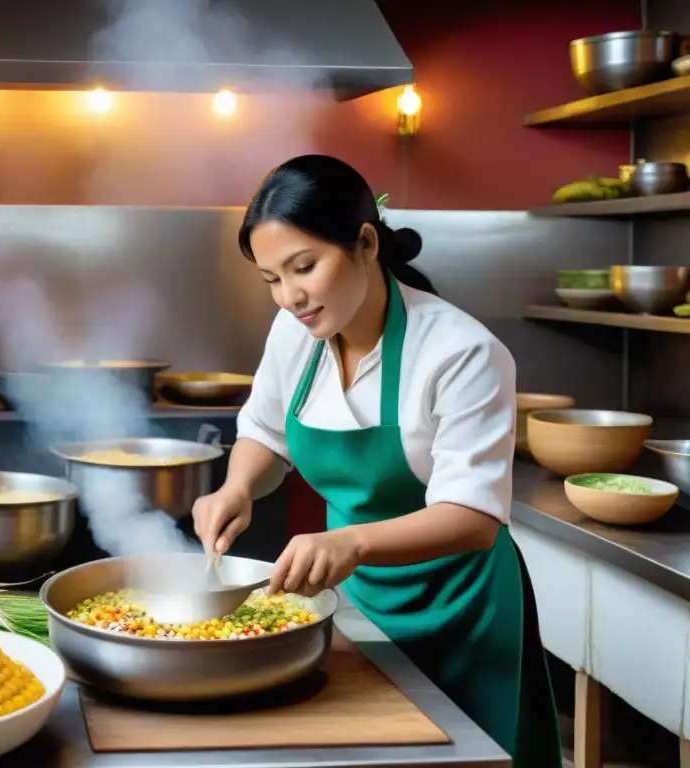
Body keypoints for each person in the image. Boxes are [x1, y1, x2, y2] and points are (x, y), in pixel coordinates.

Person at [192, 154, 562, 767]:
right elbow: (264, 429)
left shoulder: (461, 351)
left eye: (304, 268)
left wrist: (352, 543)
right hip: (355, 598)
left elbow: (472, 517)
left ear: (365, 242)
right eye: (272, 280)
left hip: (462, 607)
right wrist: (237, 487)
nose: (290, 297)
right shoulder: (296, 333)